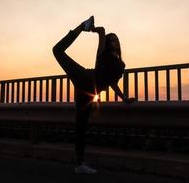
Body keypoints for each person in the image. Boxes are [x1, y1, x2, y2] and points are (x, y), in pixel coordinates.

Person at [52, 16, 135, 174]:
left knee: (80, 126)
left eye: (115, 39)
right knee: (57, 51)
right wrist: (92, 28)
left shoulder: (120, 65)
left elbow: (112, 83)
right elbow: (103, 31)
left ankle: (80, 164)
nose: (114, 41)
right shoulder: (103, 55)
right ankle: (81, 26)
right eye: (111, 40)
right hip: (85, 77)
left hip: (88, 93)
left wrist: (123, 97)